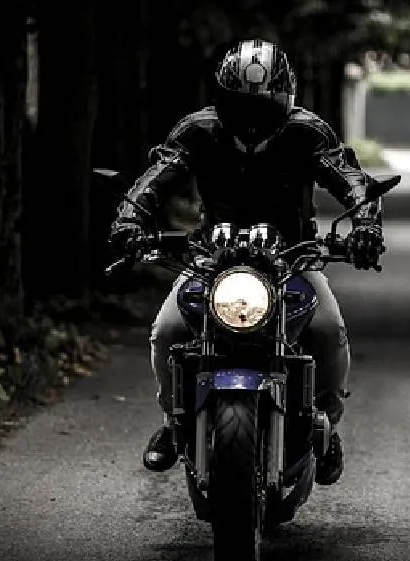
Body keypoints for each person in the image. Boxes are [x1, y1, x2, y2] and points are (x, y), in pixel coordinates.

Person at [108, 38, 386, 486]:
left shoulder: (308, 132)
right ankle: (173, 420)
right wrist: (129, 218)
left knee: (328, 330)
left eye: (263, 104)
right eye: (241, 104)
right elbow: (157, 175)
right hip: (210, 258)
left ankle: (327, 426)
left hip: (292, 257)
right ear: (222, 97)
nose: (252, 116)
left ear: (285, 97)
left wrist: (366, 226)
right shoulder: (197, 130)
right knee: (167, 330)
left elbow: (349, 177)